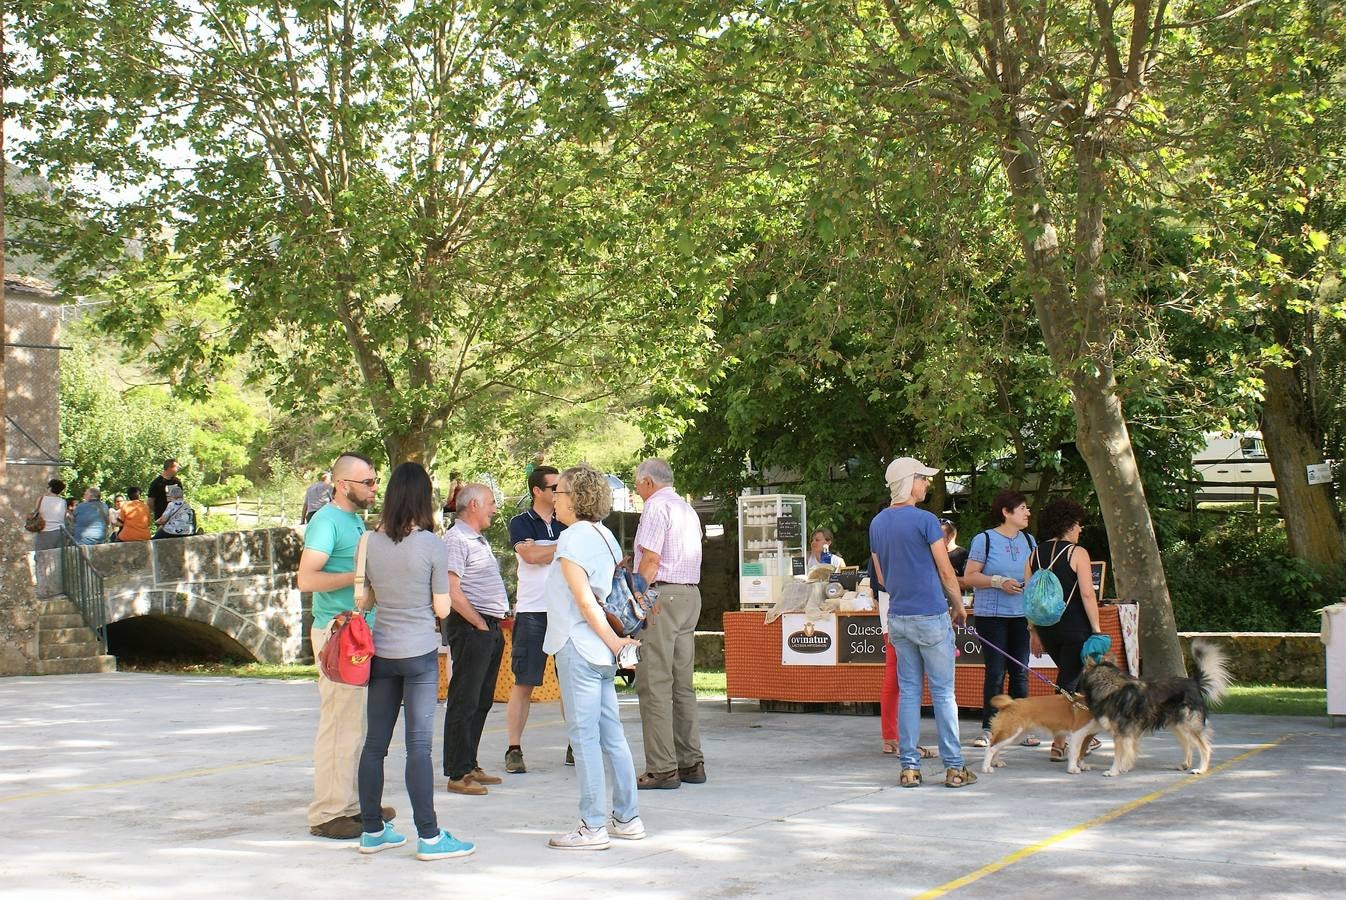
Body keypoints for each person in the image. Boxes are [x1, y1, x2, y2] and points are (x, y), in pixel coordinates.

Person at [355, 462, 475, 861]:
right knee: (418, 748)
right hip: (420, 653)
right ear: (424, 499)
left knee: (374, 746)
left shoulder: (369, 542)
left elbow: (364, 599)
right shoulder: (431, 544)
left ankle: (372, 829)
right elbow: (442, 609)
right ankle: (429, 836)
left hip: (382, 652)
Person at [542, 464, 645, 849]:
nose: (555, 498)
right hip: (600, 650)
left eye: (561, 492)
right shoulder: (606, 536)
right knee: (612, 735)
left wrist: (615, 643)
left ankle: (592, 826)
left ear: (577, 498)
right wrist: (615, 645)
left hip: (580, 644)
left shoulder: (572, 540)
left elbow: (586, 604)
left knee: (583, 738)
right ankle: (627, 817)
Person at [297, 452, 388, 840]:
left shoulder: (353, 521)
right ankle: (328, 812)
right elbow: (307, 579)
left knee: (352, 724)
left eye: (374, 481)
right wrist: (356, 577)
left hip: (356, 633)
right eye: (367, 482)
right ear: (342, 483)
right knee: (339, 725)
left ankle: (350, 804)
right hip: (337, 634)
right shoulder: (326, 521)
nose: (374, 488)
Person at [869, 456, 976, 789]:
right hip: (930, 614)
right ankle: (955, 767)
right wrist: (958, 606)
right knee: (943, 693)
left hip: (898, 616)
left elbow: (882, 576)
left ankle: (909, 767)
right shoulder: (926, 520)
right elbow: (947, 572)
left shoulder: (877, 523)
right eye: (923, 478)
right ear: (908, 481)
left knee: (909, 691)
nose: (927, 483)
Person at [632, 458, 705, 790]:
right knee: (681, 684)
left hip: (662, 596)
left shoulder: (655, 507)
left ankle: (662, 768)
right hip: (690, 595)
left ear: (648, 482)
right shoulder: (686, 509)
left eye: (636, 484)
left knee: (654, 684)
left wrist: (635, 596)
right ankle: (691, 762)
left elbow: (651, 559)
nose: (635, 490)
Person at [441, 483, 508, 795]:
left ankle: (469, 762)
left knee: (481, 699)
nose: (495, 508)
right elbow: (451, 590)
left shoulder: (476, 539)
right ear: (474, 505)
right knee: (464, 699)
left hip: (487, 627)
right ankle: (457, 773)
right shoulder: (456, 539)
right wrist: (479, 623)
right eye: (491, 503)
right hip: (471, 627)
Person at [1029, 498, 1104, 762]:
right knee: (1067, 684)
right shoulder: (1077, 553)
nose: (1080, 529)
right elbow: (1086, 593)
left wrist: (1034, 631)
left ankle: (1086, 734)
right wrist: (1096, 628)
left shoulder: (1034, 554)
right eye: (1078, 525)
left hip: (1048, 629)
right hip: (1076, 628)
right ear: (1069, 525)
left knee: (1077, 679)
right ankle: (1059, 743)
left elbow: (1030, 597)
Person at [503, 465, 565, 774]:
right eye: (554, 487)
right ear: (537, 491)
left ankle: (575, 745)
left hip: (565, 612)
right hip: (532, 613)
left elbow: (544, 555)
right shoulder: (520, 522)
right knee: (524, 682)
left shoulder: (568, 523)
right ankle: (514, 749)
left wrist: (547, 550)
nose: (559, 492)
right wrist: (563, 548)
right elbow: (530, 557)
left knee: (570, 683)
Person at [965, 489, 1037, 750]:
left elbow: (1036, 577)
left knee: (1020, 672)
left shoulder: (1029, 541)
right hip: (991, 616)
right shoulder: (984, 539)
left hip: (1021, 616)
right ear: (1006, 512)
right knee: (995, 672)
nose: (1027, 512)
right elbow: (970, 576)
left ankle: (1021, 726)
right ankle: (990, 727)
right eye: (1022, 508)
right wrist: (998, 582)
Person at [31, 479, 70, 552]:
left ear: (50, 488)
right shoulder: (63, 501)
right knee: (58, 556)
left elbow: (36, 513)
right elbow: (63, 517)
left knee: (42, 555)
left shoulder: (41, 499)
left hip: (44, 530)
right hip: (60, 532)